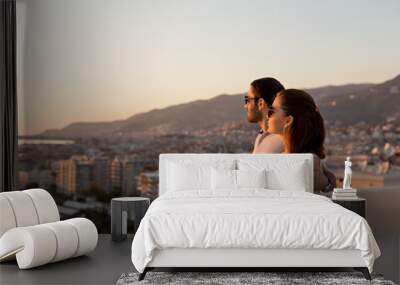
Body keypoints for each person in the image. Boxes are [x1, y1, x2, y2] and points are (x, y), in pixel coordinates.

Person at [267, 89, 336, 193]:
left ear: (288, 121)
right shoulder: (307, 160)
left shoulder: (309, 163)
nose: (267, 116)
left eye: (271, 111)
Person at [244, 77, 285, 153]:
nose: (245, 106)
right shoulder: (262, 135)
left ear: (261, 103)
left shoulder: (283, 141)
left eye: (247, 100)